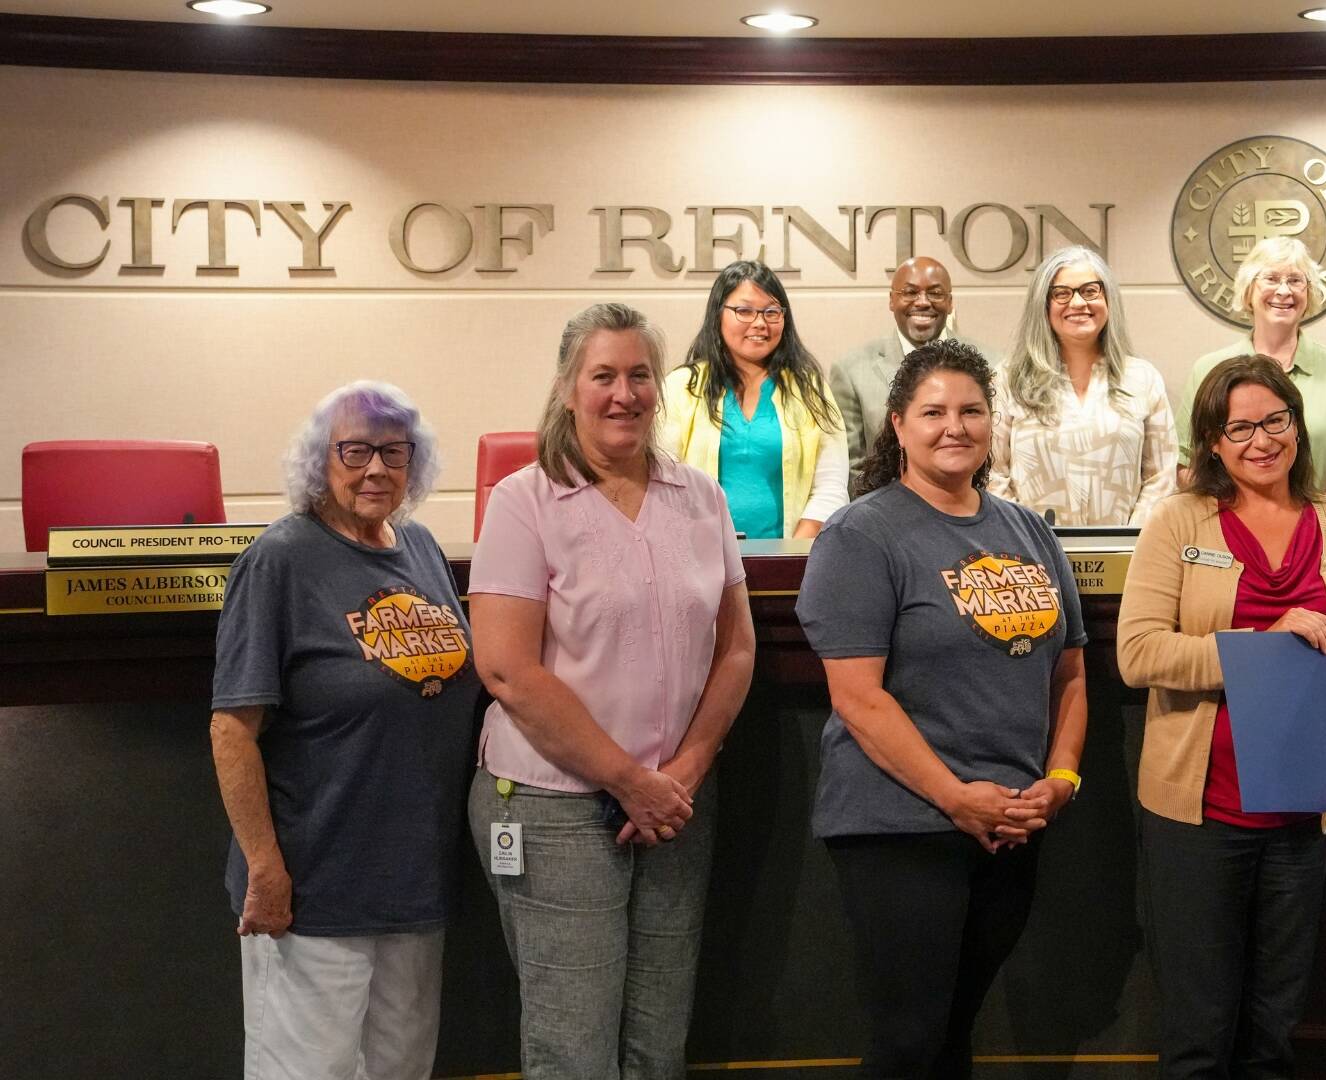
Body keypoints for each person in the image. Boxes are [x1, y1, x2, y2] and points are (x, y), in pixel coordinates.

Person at [467, 302, 756, 1079]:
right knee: (574, 1050)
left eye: (639, 375)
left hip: (676, 811)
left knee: (657, 1044)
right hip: (556, 809)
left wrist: (682, 776)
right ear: (568, 388)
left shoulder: (701, 497)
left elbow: (736, 648)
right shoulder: (524, 502)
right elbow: (506, 670)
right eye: (604, 376)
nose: (624, 393)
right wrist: (632, 783)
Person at [797, 339, 1089, 1079]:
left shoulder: (1028, 531)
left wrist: (1060, 781)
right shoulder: (861, 534)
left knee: (955, 1035)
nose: (953, 426)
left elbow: (1071, 673)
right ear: (897, 425)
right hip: (903, 827)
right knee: (909, 1041)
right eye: (932, 412)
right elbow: (858, 699)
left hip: (1011, 825)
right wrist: (957, 798)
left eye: (971, 410)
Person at [1117, 354, 1326, 1079]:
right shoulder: (1176, 521)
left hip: (1302, 818)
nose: (1260, 440)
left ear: (1297, 423)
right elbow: (1138, 654)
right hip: (1199, 810)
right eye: (1239, 428)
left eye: (1275, 420)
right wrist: (1261, 647)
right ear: (1211, 442)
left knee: (1276, 1030)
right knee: (1198, 1033)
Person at [209, 381, 478, 1080]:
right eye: (355, 450)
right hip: (313, 889)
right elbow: (232, 728)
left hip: (413, 886)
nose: (377, 469)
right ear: (317, 461)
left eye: (395, 452)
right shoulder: (280, 559)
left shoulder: (420, 550)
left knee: (402, 1070)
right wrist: (265, 870)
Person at [1179, 236, 1326, 498]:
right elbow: (1187, 465)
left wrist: (1316, 523)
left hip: (1318, 532)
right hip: (1229, 532)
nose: (1284, 291)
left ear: (1308, 292)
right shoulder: (1208, 371)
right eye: (1271, 279)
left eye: (1295, 280)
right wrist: (1233, 520)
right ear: (1248, 290)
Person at [989, 244, 1177, 526]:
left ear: (1108, 299)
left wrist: (1129, 544)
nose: (1078, 303)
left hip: (1124, 557)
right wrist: (1027, 541)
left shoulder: (1142, 378)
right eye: (1062, 293)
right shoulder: (1008, 379)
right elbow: (992, 474)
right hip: (1030, 558)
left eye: (1090, 291)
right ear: (1043, 305)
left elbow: (1162, 477)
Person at [659, 259, 848, 538]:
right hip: (697, 559)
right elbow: (661, 481)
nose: (759, 323)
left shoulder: (810, 389)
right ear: (718, 315)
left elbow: (831, 485)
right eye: (744, 311)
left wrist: (792, 555)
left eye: (771, 312)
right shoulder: (681, 386)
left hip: (789, 561)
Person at [831, 255, 992, 478]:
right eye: (910, 292)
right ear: (891, 300)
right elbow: (852, 467)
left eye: (935, 293)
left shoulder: (993, 365)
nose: (923, 301)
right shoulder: (851, 371)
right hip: (884, 509)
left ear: (950, 301)